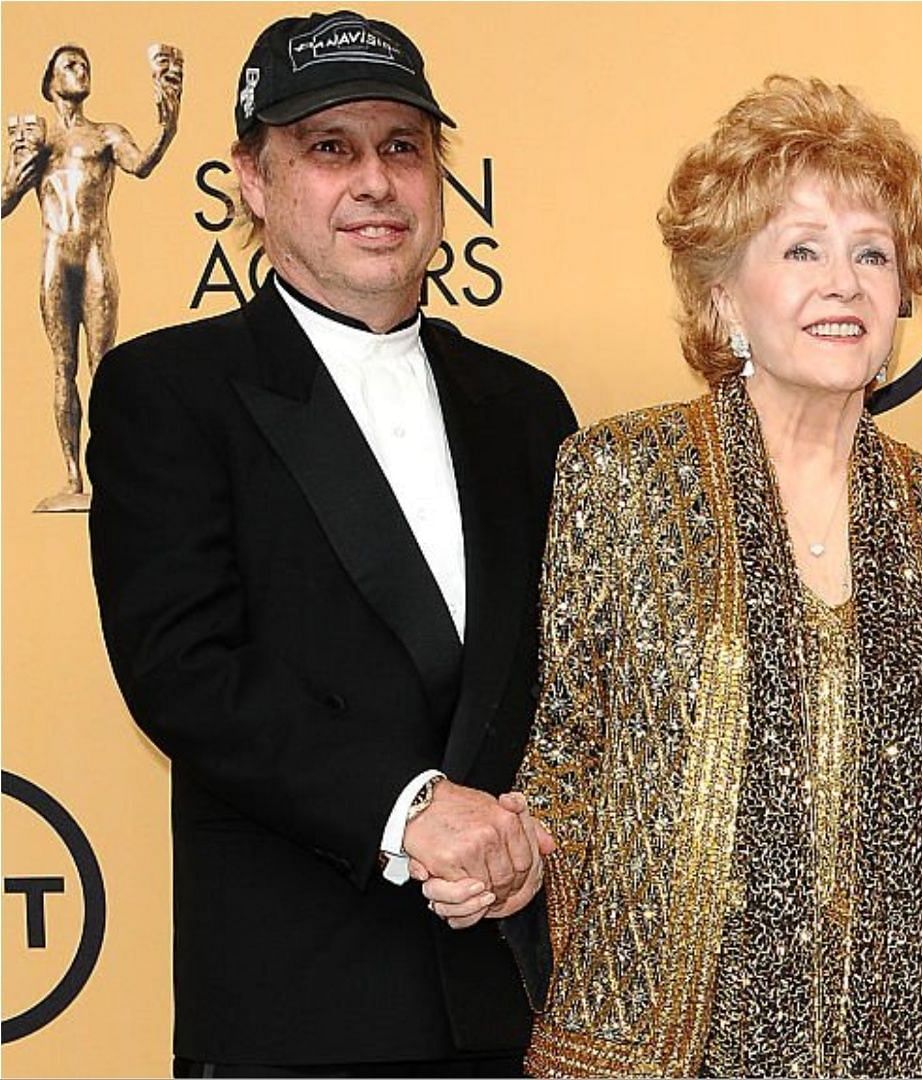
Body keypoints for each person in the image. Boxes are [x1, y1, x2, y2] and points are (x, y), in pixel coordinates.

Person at [459, 77, 922, 1078]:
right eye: (800, 249)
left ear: (904, 296)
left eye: (871, 254)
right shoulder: (620, 477)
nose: (843, 283)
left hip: (891, 1051)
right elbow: (568, 762)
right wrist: (514, 857)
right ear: (723, 292)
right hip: (656, 1052)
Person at [87, 11, 576, 1076]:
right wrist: (407, 811)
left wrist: (533, 838)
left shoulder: (527, 407)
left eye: (403, 147)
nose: (375, 182)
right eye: (329, 148)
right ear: (251, 182)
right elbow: (184, 671)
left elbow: (581, 678)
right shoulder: (166, 391)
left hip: (514, 1003)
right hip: (295, 1009)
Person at [3, 41, 182, 511]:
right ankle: (71, 476)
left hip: (95, 254)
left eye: (85, 64)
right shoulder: (39, 142)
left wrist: (169, 122)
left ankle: (109, 473)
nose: (80, 70)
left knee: (104, 367)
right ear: (51, 82)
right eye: (69, 65)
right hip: (55, 258)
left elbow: (142, 164)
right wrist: (17, 168)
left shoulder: (105, 134)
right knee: (63, 366)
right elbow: (4, 203)